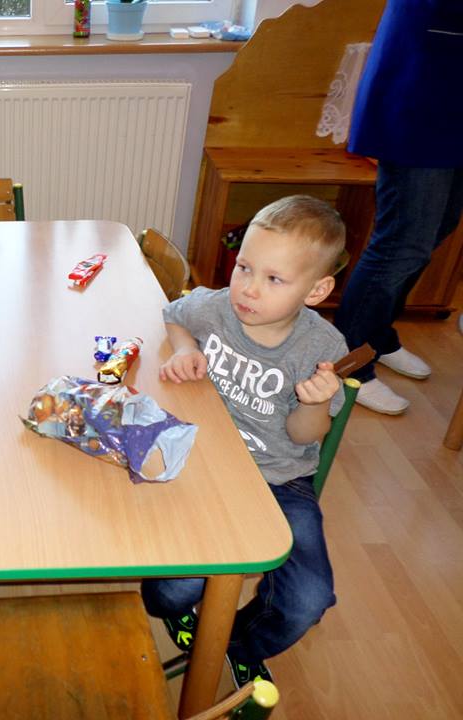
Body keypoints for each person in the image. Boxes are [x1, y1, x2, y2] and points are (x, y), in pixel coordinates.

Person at [142, 195, 348, 686]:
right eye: (244, 268)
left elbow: (305, 434)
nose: (249, 289)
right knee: (171, 592)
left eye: (274, 279)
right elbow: (175, 313)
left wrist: (316, 403)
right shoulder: (217, 307)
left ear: (317, 290)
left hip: (280, 479)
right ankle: (183, 616)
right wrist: (185, 349)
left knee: (308, 599)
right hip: (204, 460)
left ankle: (234, 645)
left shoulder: (322, 348)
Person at [333, 0, 463, 415]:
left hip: (452, 84)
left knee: (438, 226)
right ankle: (349, 363)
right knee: (402, 243)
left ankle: (377, 338)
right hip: (423, 82)